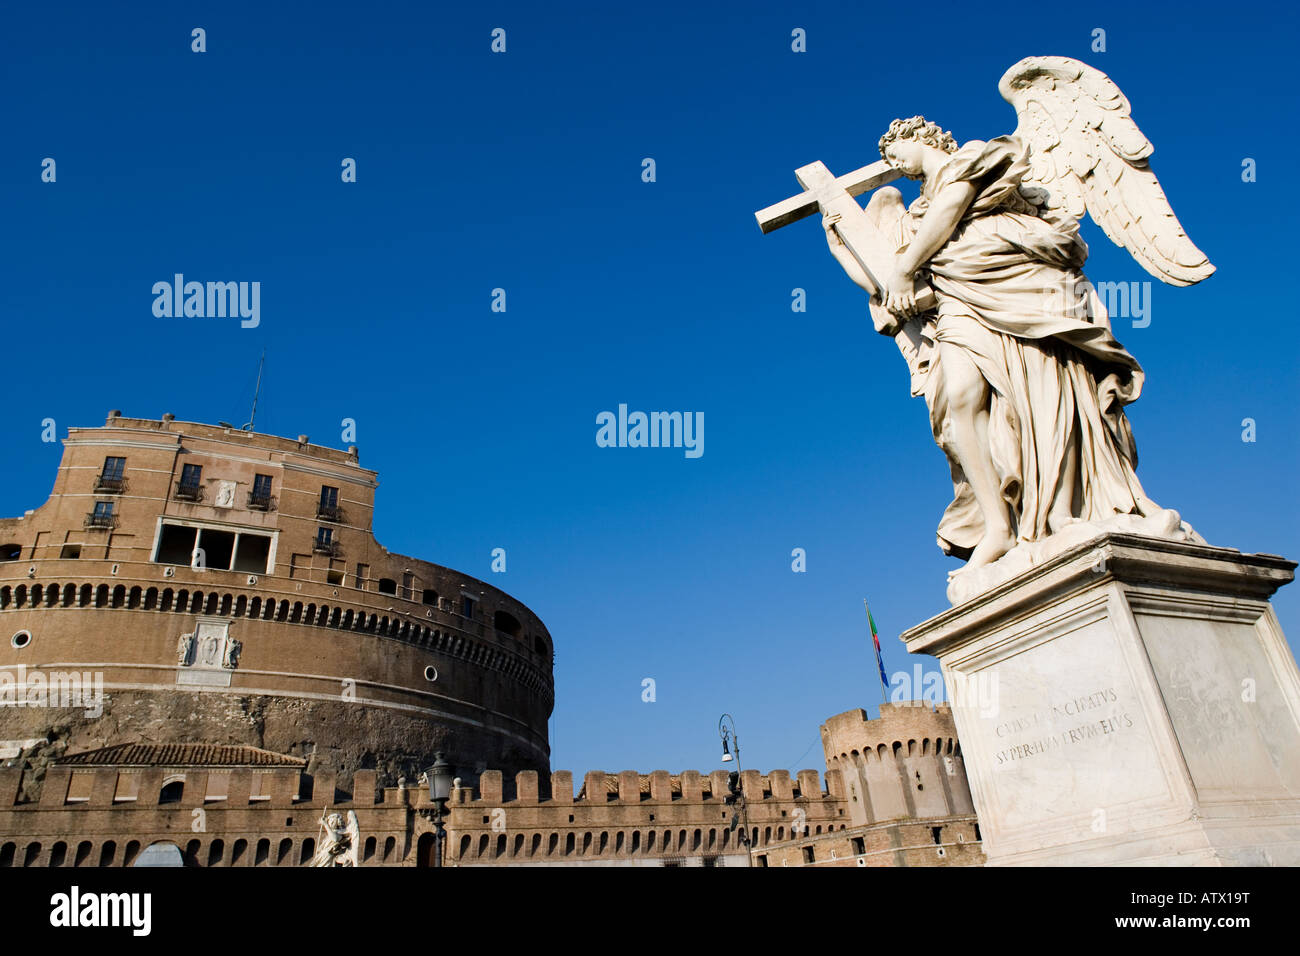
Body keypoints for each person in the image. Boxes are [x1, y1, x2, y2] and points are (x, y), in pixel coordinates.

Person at [823, 116, 1172, 575]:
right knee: (956, 402)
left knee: (1042, 393)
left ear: (919, 137)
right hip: (958, 298)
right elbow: (889, 285)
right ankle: (998, 526)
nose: (893, 163)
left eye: (894, 151)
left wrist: (907, 267)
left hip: (1017, 283)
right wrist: (842, 249)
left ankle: (1061, 510)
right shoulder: (914, 219)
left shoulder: (973, 156)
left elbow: (952, 206)